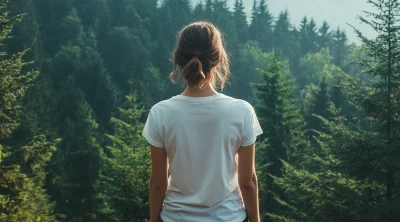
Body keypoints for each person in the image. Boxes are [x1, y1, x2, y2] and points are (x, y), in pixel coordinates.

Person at [142, 21, 263, 222]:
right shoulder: (242, 111)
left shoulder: (160, 113)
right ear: (218, 59)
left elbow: (158, 183)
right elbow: (248, 181)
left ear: (179, 59)